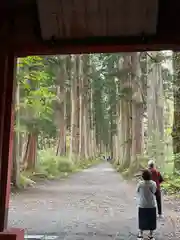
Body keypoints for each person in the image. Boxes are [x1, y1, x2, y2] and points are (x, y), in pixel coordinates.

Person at [136, 169, 157, 240]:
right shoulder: (153, 183)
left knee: (142, 219)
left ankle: (140, 234)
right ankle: (151, 235)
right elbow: (154, 192)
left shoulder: (140, 184)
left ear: (143, 176)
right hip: (151, 204)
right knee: (151, 220)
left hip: (142, 204)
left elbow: (137, 191)